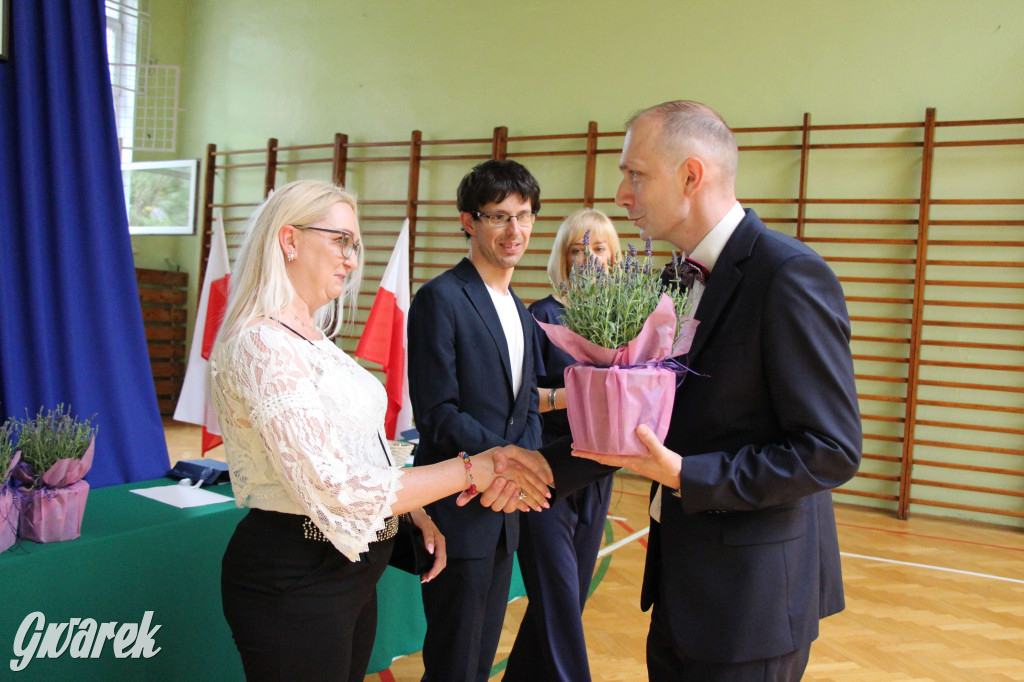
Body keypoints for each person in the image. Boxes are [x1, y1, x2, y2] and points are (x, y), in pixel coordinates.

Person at [476, 101, 863, 681]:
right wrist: (538, 468)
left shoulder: (787, 276)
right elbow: (643, 421)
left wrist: (686, 475)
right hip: (681, 587)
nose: (622, 194)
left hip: (751, 598)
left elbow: (830, 449)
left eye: (636, 175)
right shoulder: (669, 280)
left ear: (690, 175)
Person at [209, 179, 551, 682]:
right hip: (296, 575)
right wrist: (472, 469)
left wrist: (412, 513)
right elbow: (337, 488)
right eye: (341, 241)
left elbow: (359, 449)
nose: (352, 259)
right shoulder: (261, 343)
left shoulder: (311, 339)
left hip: (348, 571)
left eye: (356, 245)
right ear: (289, 240)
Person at [407, 159, 544, 682]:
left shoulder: (522, 310)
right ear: (468, 221)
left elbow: (527, 407)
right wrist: (508, 466)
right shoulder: (440, 298)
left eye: (525, 216)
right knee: (453, 665)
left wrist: (520, 471)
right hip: (457, 511)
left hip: (503, 512)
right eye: (500, 217)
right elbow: (438, 414)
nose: (516, 231)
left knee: (479, 661)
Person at [504, 208, 622, 682]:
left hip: (597, 473)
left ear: (615, 259)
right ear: (564, 258)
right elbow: (517, 399)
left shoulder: (621, 321)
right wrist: (567, 395)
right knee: (557, 602)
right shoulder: (541, 316)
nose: (589, 258)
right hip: (546, 473)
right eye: (578, 249)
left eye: (599, 249)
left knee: (568, 599)